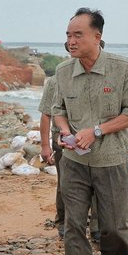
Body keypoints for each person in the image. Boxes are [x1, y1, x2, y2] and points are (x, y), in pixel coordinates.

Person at [53, 8, 128, 255]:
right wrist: (65, 132)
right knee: (73, 225)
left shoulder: (123, 68)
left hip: (112, 162)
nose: (70, 40)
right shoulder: (63, 71)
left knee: (114, 225)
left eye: (77, 34)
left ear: (97, 36)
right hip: (73, 163)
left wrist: (97, 131)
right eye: (68, 35)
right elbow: (58, 109)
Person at [39, 74, 99, 242]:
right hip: (64, 141)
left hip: (93, 140)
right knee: (65, 183)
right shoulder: (57, 79)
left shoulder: (100, 77)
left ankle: (97, 228)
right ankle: (63, 224)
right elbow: (46, 113)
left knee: (98, 182)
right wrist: (45, 145)